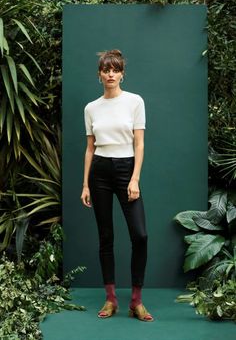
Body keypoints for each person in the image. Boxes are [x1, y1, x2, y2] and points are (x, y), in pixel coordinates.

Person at [80, 49, 153, 322]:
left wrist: (134, 178)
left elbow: (140, 143)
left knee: (140, 235)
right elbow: (90, 148)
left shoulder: (135, 102)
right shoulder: (91, 108)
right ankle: (111, 299)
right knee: (106, 237)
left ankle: (136, 301)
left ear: (122, 73)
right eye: (105, 69)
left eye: (115, 69)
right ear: (99, 75)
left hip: (126, 169)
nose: (110, 73)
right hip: (99, 170)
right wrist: (85, 184)